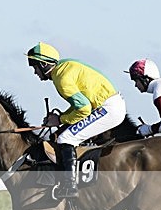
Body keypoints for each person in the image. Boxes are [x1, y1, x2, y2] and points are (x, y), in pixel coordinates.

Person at [26, 42, 127, 199]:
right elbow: (80, 105)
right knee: (67, 133)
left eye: (35, 66)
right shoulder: (64, 67)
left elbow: (84, 108)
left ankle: (69, 186)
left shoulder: (61, 79)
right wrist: (61, 119)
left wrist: (59, 119)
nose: (34, 72)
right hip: (110, 105)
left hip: (108, 108)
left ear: (44, 64)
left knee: (66, 138)